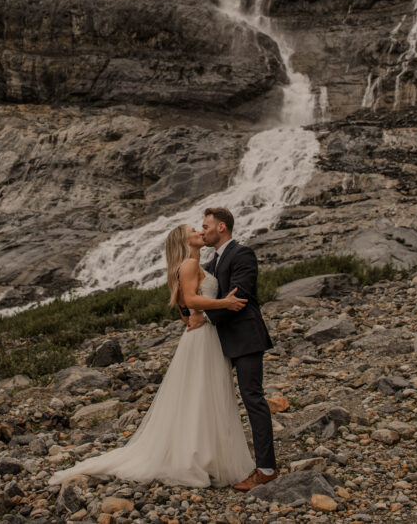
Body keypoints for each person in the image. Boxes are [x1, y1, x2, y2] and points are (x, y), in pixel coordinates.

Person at [49, 224, 253, 488]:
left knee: (201, 394)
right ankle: (198, 457)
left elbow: (184, 313)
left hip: (202, 336)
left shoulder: (190, 265)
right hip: (203, 339)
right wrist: (224, 304)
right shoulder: (190, 266)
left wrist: (199, 315)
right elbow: (191, 302)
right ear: (184, 239)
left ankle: (201, 454)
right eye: (194, 230)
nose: (200, 232)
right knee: (204, 393)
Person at [187, 207, 279, 491]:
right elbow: (203, 293)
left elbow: (240, 297)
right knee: (216, 399)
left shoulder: (242, 253)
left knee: (253, 398)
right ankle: (216, 460)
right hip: (220, 341)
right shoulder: (213, 261)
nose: (202, 231)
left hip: (246, 338)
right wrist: (191, 309)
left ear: (222, 227)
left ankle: (266, 469)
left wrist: (206, 316)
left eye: (206, 226)